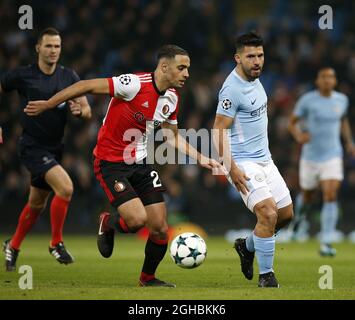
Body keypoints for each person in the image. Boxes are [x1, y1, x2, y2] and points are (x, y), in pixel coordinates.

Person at [24, 44, 220, 287]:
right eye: (182, 68)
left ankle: (147, 279)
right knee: (137, 220)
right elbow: (84, 86)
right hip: (110, 163)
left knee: (160, 228)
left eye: (188, 69)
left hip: (140, 162)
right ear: (164, 66)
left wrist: (200, 157)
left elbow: (172, 135)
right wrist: (48, 104)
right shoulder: (134, 84)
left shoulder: (172, 98)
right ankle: (108, 222)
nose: (187, 74)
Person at [1, 27, 92, 271]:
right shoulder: (23, 75)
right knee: (66, 188)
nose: (53, 51)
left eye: (57, 46)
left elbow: (87, 109)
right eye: (49, 46)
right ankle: (56, 243)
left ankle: (13, 245)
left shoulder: (68, 76)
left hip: (55, 148)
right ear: (38, 48)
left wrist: (80, 111)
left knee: (36, 204)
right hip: (31, 146)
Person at [213, 32, 293, 288]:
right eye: (250, 56)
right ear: (238, 58)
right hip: (242, 162)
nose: (257, 61)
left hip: (265, 160)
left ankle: (247, 247)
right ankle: (266, 276)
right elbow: (218, 131)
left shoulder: (256, 79)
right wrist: (231, 168)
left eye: (260, 55)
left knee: (286, 215)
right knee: (268, 213)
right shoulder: (232, 89)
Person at [288, 67, 355, 256]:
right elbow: (292, 122)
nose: (327, 80)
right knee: (308, 196)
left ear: (335, 81)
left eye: (331, 77)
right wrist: (299, 136)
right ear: (318, 81)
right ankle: (299, 221)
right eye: (324, 77)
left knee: (330, 194)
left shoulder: (342, 100)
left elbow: (343, 121)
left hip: (333, 155)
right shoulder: (307, 100)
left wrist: (349, 142)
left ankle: (326, 241)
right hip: (310, 157)